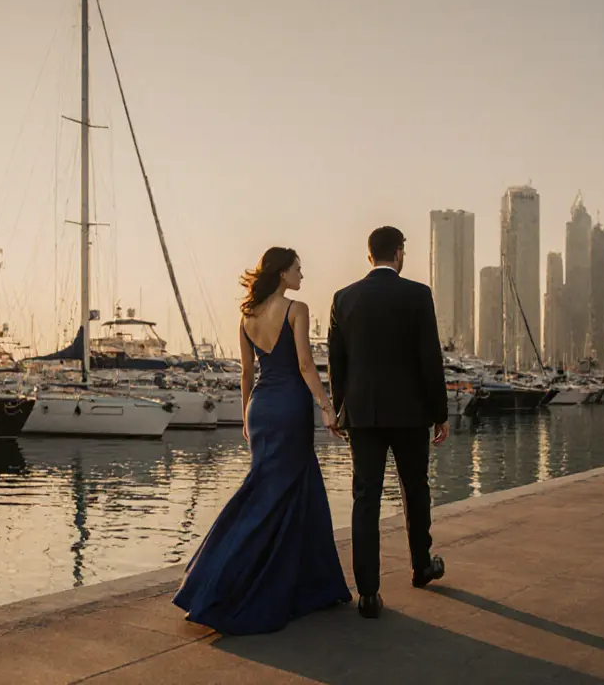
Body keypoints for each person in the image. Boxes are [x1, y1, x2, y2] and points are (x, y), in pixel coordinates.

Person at [172, 247, 351, 634]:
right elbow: (305, 364)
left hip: (260, 408)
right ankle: (225, 583)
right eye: (298, 269)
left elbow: (246, 374)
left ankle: (311, 584)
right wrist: (326, 406)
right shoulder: (296, 309)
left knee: (284, 489)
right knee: (275, 496)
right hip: (289, 407)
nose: (302, 275)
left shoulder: (247, 315)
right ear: (282, 273)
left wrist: (245, 416)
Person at [328, 226, 449, 619]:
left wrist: (339, 409)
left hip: (363, 414)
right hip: (411, 413)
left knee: (366, 497)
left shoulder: (343, 298)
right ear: (398, 253)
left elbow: (337, 363)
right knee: (415, 489)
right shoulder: (418, 295)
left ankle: (367, 593)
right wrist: (440, 414)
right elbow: (430, 359)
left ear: (370, 256)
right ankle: (421, 566)